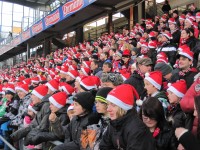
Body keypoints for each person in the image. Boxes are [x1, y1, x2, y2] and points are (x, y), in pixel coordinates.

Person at [99, 84, 155, 149]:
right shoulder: (114, 123)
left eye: (113, 105)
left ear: (123, 107)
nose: (108, 109)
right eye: (108, 104)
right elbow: (103, 146)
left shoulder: (138, 130)